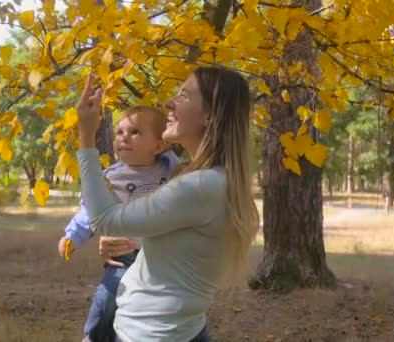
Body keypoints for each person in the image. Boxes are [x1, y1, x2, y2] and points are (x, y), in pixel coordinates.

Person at [75, 66, 260, 341]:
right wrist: (130, 242)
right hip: (180, 330)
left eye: (183, 96)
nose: (168, 103)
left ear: (209, 115)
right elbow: (182, 250)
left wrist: (86, 135)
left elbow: (103, 218)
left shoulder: (199, 186)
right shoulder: (214, 181)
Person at [57, 106, 180, 342]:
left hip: (159, 260)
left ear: (157, 146)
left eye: (135, 132)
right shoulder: (110, 178)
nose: (123, 136)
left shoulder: (170, 169)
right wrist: (72, 235)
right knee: (106, 303)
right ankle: (93, 338)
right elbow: (90, 211)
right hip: (122, 257)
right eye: (119, 132)